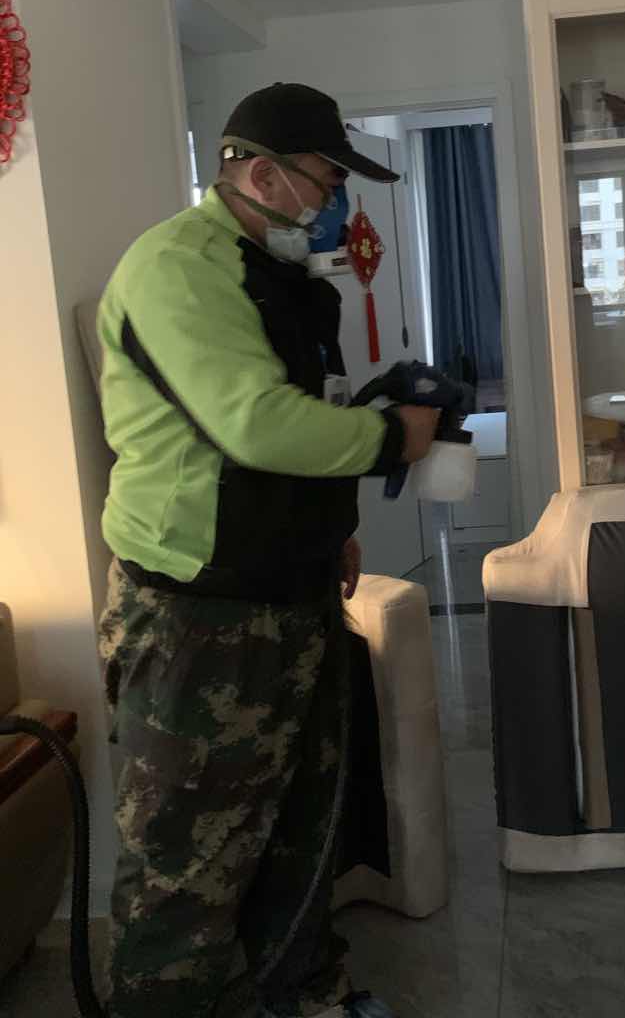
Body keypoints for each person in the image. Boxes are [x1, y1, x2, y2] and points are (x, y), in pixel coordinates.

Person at [96, 83, 438, 1018]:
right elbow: (253, 424)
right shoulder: (178, 269)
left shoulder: (283, 277)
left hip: (293, 593)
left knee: (301, 828)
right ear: (259, 173)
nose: (335, 203)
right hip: (198, 614)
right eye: (325, 180)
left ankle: (308, 996)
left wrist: (332, 526)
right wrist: (393, 439)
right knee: (187, 860)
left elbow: (304, 411)